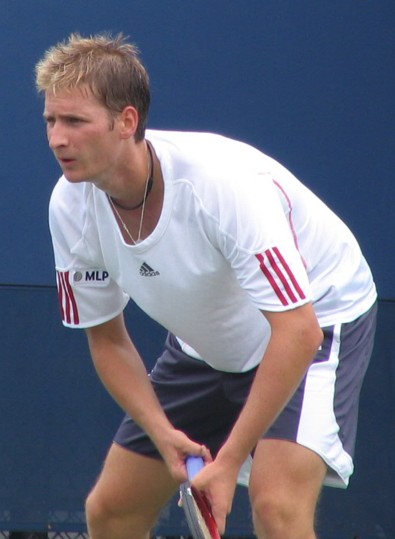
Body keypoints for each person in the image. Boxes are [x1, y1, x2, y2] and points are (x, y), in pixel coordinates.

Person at [35, 32, 377, 539]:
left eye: (75, 121)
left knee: (277, 508)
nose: (57, 139)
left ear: (126, 121)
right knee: (111, 509)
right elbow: (106, 339)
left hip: (317, 320)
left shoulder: (221, 187)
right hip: (207, 346)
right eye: (51, 121)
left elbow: (298, 332)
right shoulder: (69, 205)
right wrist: (162, 432)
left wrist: (229, 460)